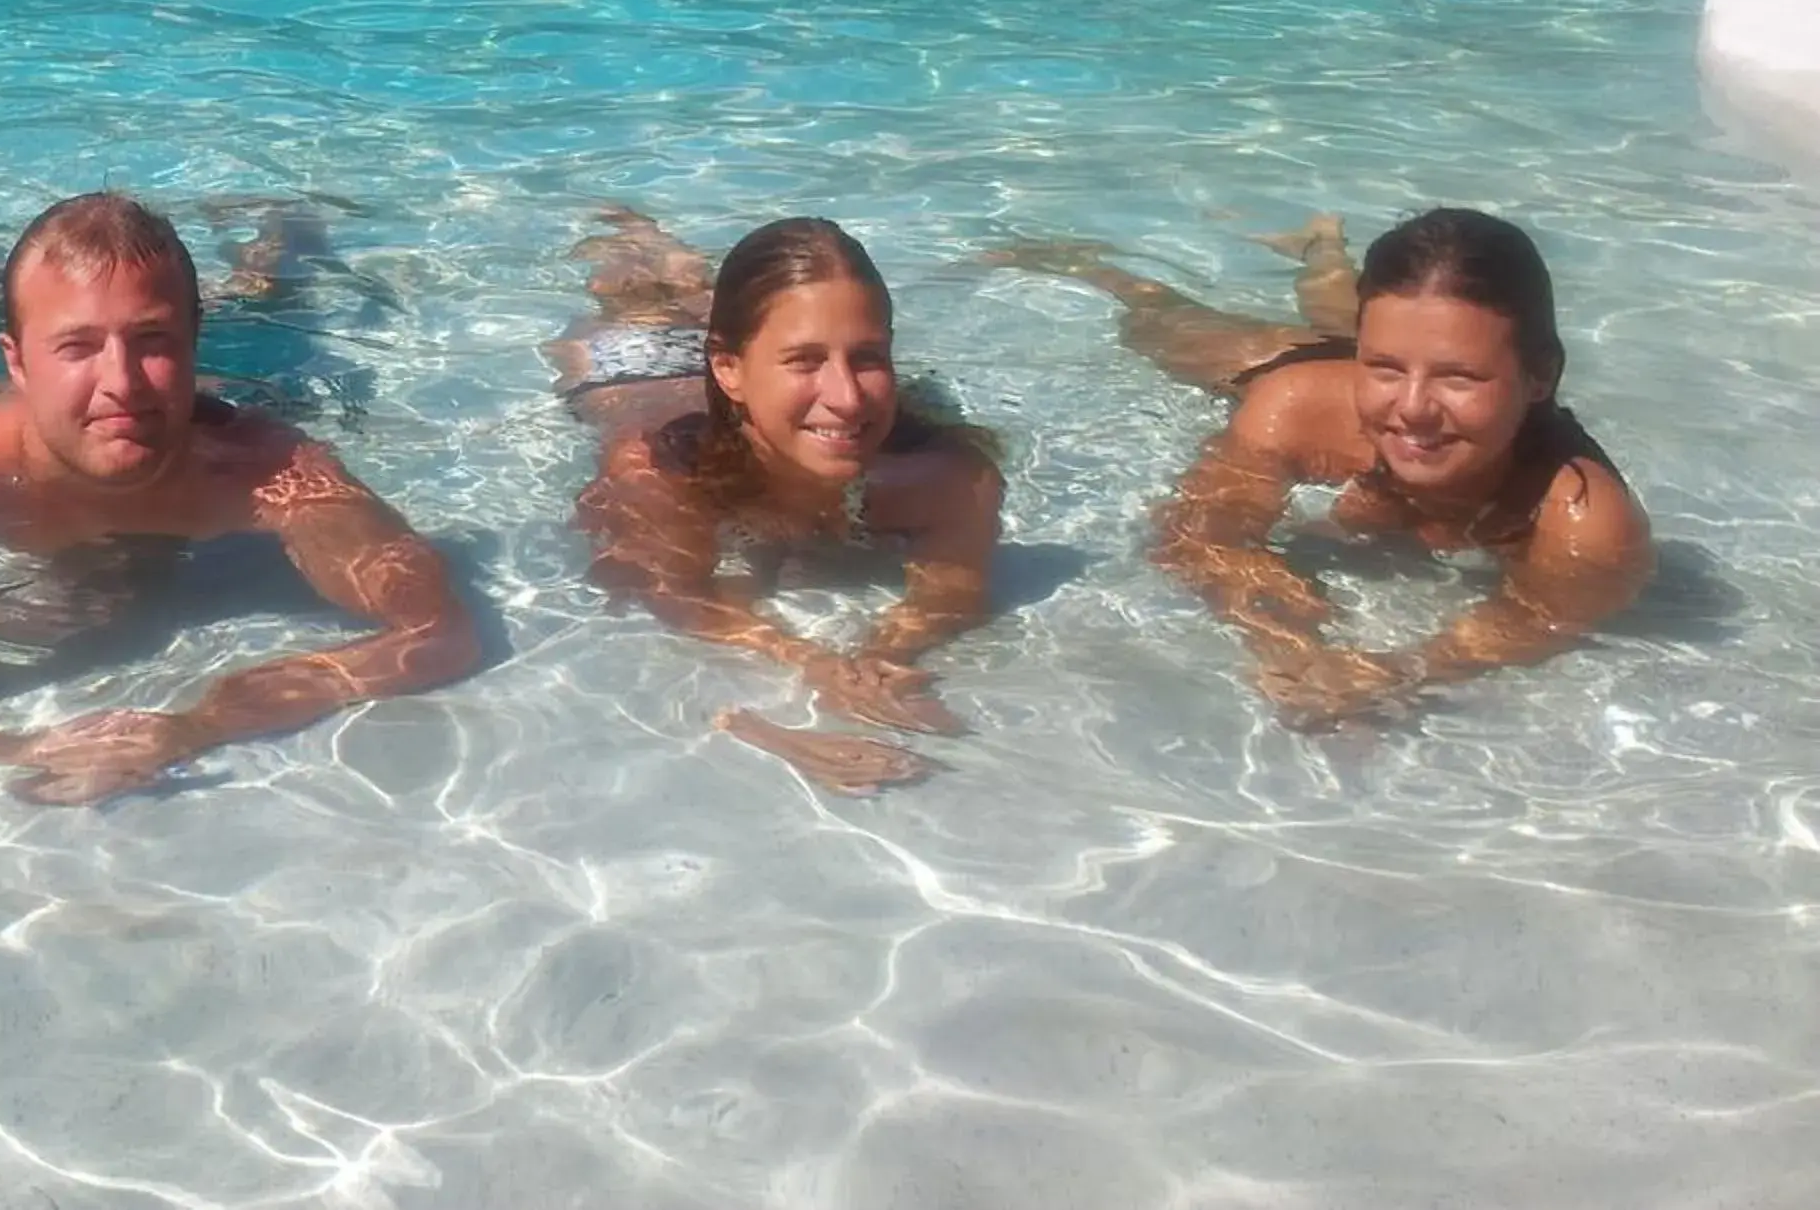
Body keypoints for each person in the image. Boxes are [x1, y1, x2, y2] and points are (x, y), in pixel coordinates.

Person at [0, 192, 475, 801]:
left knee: (274, 296)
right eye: (78, 347)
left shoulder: (267, 467)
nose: (121, 382)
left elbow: (439, 632)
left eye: (153, 342)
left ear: (190, 345)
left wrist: (200, 724)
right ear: (18, 364)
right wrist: (15, 749)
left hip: (244, 360)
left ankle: (281, 228)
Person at [982, 209, 1652, 729]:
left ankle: (1325, 247)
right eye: (1382, 367)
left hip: (1378, 378)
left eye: (1461, 377)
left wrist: (1394, 671)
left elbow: (1529, 625)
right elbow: (1193, 535)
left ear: (1540, 377)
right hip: (1289, 366)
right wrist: (1285, 641)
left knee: (1367, 328)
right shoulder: (1297, 404)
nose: (1414, 410)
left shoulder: (1585, 525)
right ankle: (1291, 251)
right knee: (1157, 323)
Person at [560, 209, 1006, 795]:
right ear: (726, 369)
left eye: (868, 357)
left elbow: (951, 597)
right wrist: (805, 666)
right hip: (635, 369)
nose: (847, 399)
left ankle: (704, 286)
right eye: (806, 360)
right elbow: (665, 601)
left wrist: (876, 659)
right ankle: (639, 237)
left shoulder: (950, 479)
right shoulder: (659, 472)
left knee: (719, 302)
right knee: (635, 295)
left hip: (741, 374)